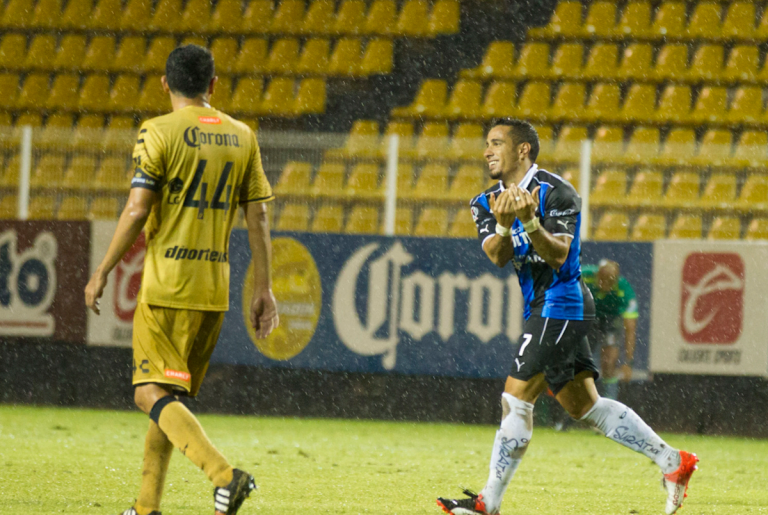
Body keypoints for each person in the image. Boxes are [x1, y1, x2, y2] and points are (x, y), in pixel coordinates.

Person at [436, 119, 697, 515]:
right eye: (486, 144)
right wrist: (506, 225)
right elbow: (497, 256)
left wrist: (530, 221)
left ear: (523, 149)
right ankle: (674, 463)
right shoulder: (484, 202)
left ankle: (488, 503)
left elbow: (558, 253)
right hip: (541, 306)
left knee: (516, 397)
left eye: (496, 143)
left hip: (564, 302)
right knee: (584, 407)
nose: (487, 151)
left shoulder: (557, 191)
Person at [85, 45, 278, 515]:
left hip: (167, 286)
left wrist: (103, 268)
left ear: (164, 83)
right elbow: (260, 216)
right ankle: (146, 507)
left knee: (146, 391)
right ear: (213, 85)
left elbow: (137, 208)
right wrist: (263, 287)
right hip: (212, 291)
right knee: (169, 401)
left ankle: (224, 475)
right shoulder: (242, 136)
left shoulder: (157, 132)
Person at [583, 259, 638, 400]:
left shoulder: (625, 291)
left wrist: (628, 362)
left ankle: (610, 404)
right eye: (601, 281)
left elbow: (630, 329)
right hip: (588, 317)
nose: (604, 286)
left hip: (610, 321)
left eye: (608, 283)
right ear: (597, 276)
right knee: (580, 362)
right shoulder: (583, 274)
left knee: (609, 363)